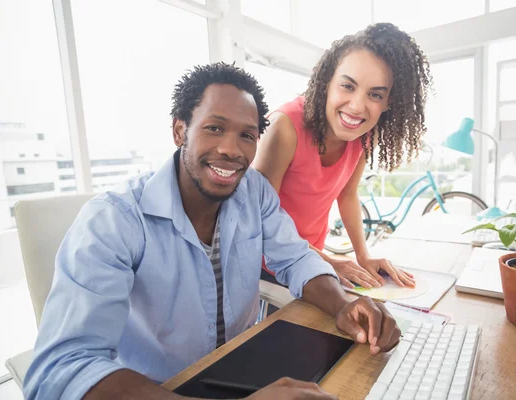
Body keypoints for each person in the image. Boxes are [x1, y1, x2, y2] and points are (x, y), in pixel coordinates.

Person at [22, 63, 401, 400]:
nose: (231, 150)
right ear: (179, 130)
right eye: (214, 128)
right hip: (153, 388)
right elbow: (60, 369)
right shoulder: (112, 221)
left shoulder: (254, 192)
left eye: (246, 136)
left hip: (239, 369)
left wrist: (344, 305)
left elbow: (296, 258)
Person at [254, 23, 432, 290]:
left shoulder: (363, 135)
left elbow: (347, 194)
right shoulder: (285, 127)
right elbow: (260, 221)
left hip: (313, 256)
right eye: (348, 86)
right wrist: (331, 262)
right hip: (269, 262)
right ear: (327, 81)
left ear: (389, 103)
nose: (357, 106)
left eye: (375, 94)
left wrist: (363, 255)